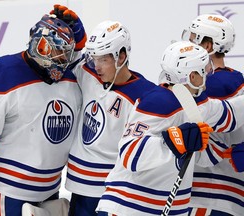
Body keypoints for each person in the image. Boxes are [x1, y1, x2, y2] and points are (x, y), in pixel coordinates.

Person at [0, 6, 86, 216]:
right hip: (7, 195)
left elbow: (97, 74)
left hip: (50, 193)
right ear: (38, 44)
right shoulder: (4, 73)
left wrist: (80, 42)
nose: (60, 61)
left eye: (65, 56)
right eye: (54, 52)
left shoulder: (70, 78)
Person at [95, 40, 244, 215]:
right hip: (127, 205)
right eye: (204, 69)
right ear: (192, 76)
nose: (209, 74)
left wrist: (215, 150)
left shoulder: (200, 105)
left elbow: (231, 113)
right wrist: (173, 141)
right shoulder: (157, 102)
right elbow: (130, 154)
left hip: (167, 208)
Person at [51, 5, 157, 216]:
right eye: (95, 59)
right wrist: (78, 34)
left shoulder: (144, 95)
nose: (97, 66)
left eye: (104, 60)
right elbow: (70, 59)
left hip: (112, 192)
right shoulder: (90, 73)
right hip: (79, 187)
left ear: (121, 56)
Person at [181, 14, 244, 216]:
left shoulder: (210, 84)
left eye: (192, 40)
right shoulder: (236, 81)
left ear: (207, 46)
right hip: (226, 195)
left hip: (209, 193)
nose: (187, 45)